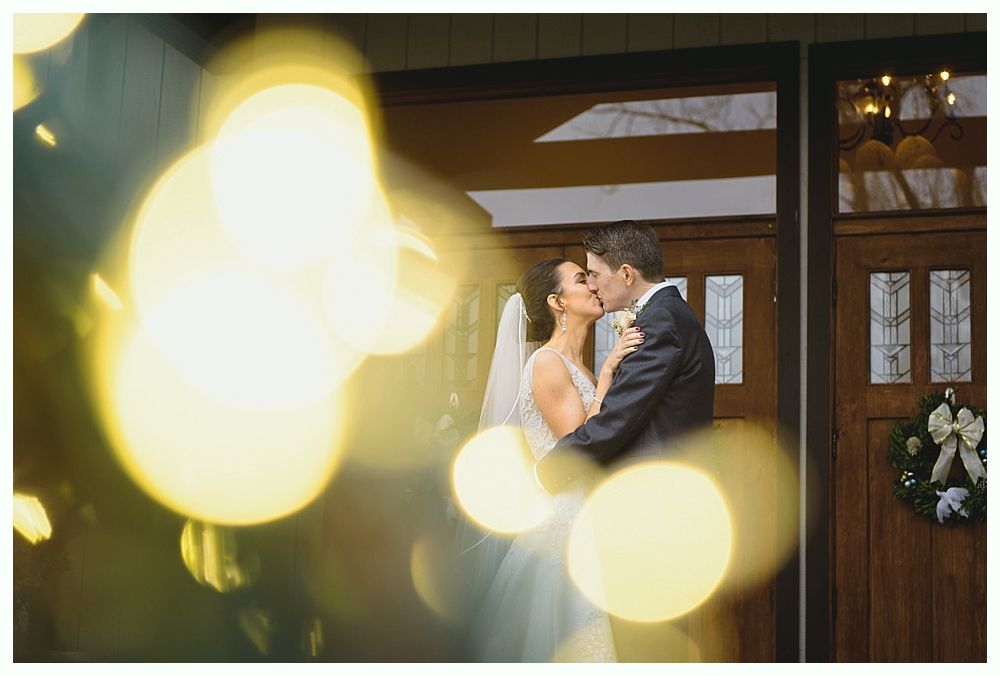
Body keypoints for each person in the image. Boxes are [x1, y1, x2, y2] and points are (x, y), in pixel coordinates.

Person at [463, 257, 643, 662]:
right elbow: (579, 444)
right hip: (565, 521)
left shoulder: (580, 368)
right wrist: (609, 373)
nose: (594, 286)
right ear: (557, 302)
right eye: (581, 279)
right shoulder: (547, 362)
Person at [536, 220, 716, 488]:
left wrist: (543, 473)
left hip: (656, 487)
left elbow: (620, 416)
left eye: (594, 274)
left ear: (626, 274)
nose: (592, 286)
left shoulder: (660, 319)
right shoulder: (667, 313)